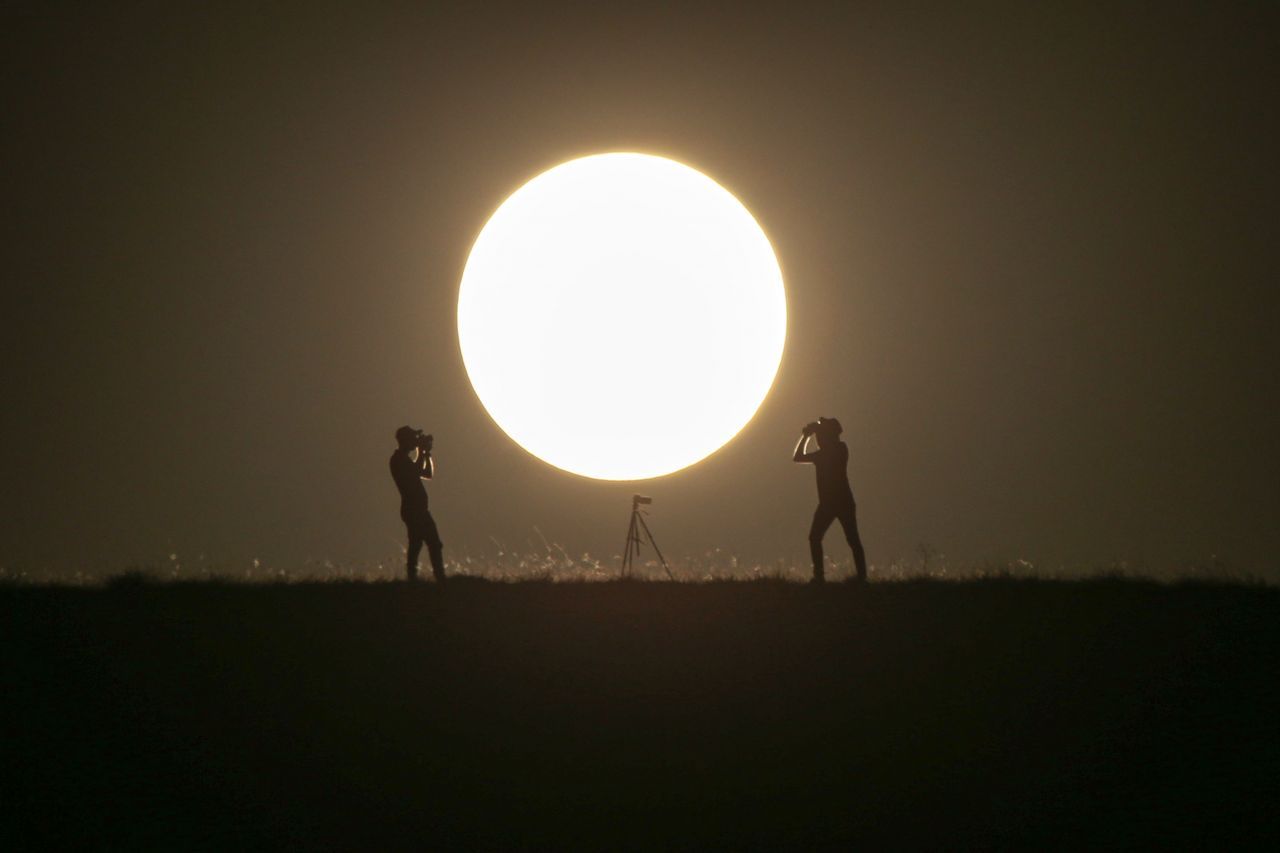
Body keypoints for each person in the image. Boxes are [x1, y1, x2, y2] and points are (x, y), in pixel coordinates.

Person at [793, 417, 867, 584]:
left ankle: (824, 577)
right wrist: (809, 434)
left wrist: (807, 435)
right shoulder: (835, 450)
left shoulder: (837, 450)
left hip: (836, 502)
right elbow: (798, 457)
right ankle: (855, 577)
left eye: (821, 435)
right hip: (834, 502)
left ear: (829, 435)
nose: (819, 438)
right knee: (838, 538)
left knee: (849, 539)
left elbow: (798, 457)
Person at [390, 425, 445, 582]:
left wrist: (426, 453)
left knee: (417, 544)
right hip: (414, 510)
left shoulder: (404, 459)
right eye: (412, 438)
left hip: (418, 509)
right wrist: (421, 452)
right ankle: (438, 578)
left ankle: (414, 579)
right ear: (404, 440)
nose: (415, 441)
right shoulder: (398, 460)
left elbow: (427, 474)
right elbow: (415, 471)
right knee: (432, 543)